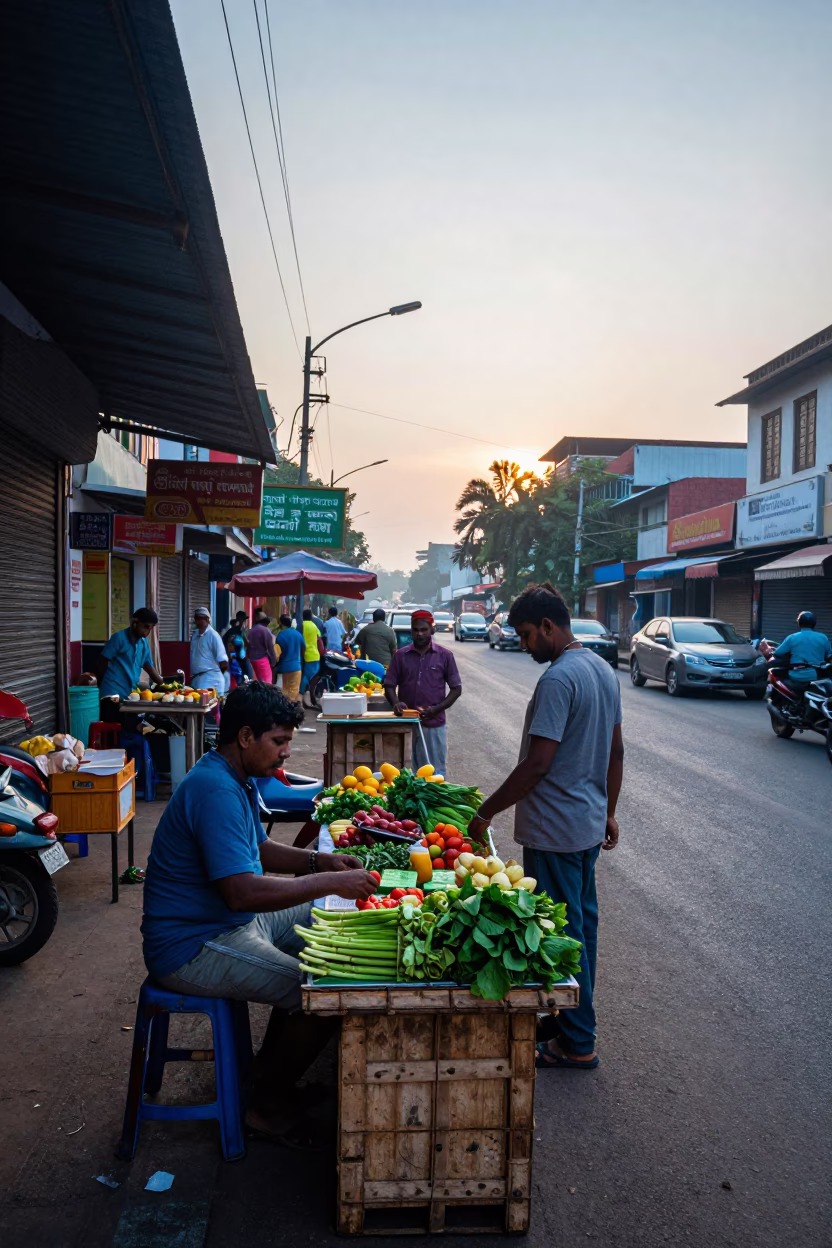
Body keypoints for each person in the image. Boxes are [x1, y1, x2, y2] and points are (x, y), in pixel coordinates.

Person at [141, 683, 378, 1143]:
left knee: (323, 918)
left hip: (227, 923)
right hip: (194, 944)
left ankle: (268, 1076)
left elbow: (259, 850)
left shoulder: (234, 777)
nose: (287, 753)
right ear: (246, 736)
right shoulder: (215, 790)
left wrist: (319, 861)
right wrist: (331, 881)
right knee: (324, 995)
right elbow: (242, 893)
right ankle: (267, 1104)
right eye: (279, 742)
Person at [466, 583, 624, 1073]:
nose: (525, 643)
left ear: (550, 627)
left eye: (529, 634)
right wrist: (609, 811)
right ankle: (569, 1020)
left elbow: (537, 764)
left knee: (564, 934)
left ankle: (577, 1042)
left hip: (556, 831)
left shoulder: (560, 680)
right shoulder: (601, 668)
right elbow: (616, 752)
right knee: (581, 933)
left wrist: (485, 812)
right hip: (586, 826)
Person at [383, 610, 461, 775]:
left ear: (431, 630)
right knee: (407, 773)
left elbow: (456, 689)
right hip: (406, 724)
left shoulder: (445, 656)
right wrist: (396, 703)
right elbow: (389, 685)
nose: (419, 634)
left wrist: (436, 709)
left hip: (434, 724)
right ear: (411, 631)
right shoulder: (400, 656)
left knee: (435, 773)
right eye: (416, 630)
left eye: (424, 630)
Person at [98, 607, 163, 699]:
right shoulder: (118, 638)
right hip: (112, 691)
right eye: (145, 627)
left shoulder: (144, 643)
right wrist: (102, 683)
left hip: (131, 693)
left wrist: (166, 685)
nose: (146, 633)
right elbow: (102, 661)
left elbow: (150, 669)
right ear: (135, 622)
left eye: (150, 628)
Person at [774, 611, 832, 690]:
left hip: (796, 676)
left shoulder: (792, 637)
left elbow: (777, 653)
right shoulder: (823, 638)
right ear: (814, 623)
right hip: (816, 676)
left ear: (799, 623)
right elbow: (829, 657)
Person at [190, 607, 229, 692]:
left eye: (200, 619)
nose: (197, 622)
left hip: (211, 681)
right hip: (196, 679)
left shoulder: (213, 635)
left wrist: (215, 676)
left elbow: (223, 661)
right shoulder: (195, 635)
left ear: (207, 619)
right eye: (196, 618)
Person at [274, 614, 304, 703]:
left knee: (285, 690)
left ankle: (286, 709)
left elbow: (278, 652)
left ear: (281, 623)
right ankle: (291, 711)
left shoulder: (280, 635)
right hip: (296, 667)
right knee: (294, 691)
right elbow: (303, 648)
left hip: (285, 667)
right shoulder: (298, 634)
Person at [300, 608, 325, 710]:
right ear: (310, 616)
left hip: (303, 655)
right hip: (314, 655)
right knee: (312, 677)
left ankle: (306, 698)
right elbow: (319, 641)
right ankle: (307, 698)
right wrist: (322, 652)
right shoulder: (314, 626)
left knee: (306, 677)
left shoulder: (300, 626)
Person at [247, 610, 278, 684]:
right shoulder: (265, 630)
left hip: (253, 659)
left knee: (260, 681)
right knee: (267, 683)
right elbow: (270, 647)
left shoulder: (251, 631)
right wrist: (273, 661)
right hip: (262, 659)